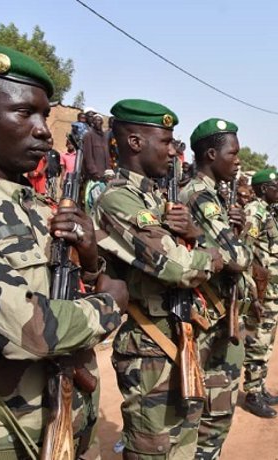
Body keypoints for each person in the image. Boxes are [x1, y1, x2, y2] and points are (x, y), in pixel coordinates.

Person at [0, 44, 127, 458]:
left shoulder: (35, 204)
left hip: (61, 419)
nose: (44, 130)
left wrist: (87, 262)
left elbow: (60, 291)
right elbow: (29, 330)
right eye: (24, 113)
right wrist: (109, 304)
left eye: (45, 116)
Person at [92, 99, 228, 459]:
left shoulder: (151, 196)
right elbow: (180, 267)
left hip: (178, 336)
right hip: (150, 349)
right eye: (166, 141)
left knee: (184, 445)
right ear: (135, 142)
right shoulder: (118, 199)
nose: (174, 150)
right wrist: (217, 255)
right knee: (155, 450)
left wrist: (195, 240)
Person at [181, 118, 253, 457]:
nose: (237, 160)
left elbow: (226, 250)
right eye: (232, 152)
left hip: (219, 312)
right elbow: (238, 257)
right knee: (213, 417)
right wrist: (241, 242)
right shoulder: (201, 197)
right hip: (211, 320)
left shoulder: (211, 195)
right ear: (211, 154)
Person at [242, 168, 278, 418]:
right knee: (258, 341)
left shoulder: (267, 211)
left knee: (266, 342)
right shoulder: (254, 212)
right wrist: (252, 295)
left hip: (273, 289)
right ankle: (252, 394)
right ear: (261, 190)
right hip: (261, 291)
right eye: (274, 186)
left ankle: (260, 386)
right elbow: (246, 254)